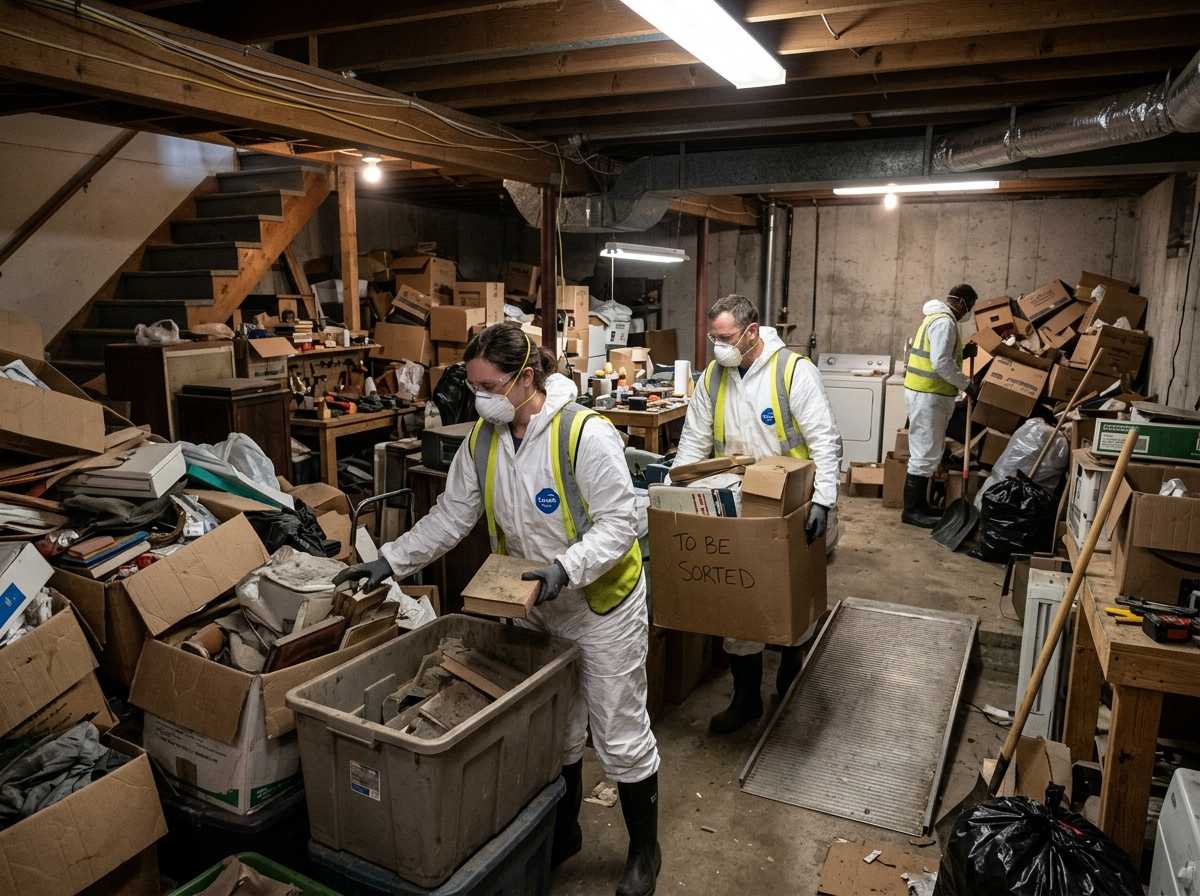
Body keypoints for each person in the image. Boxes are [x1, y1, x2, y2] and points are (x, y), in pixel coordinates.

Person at [334, 322, 661, 896]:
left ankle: (644, 850)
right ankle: (566, 835)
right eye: (473, 384)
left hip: (601, 606)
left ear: (525, 378)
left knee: (618, 730)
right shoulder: (483, 442)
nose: (477, 396)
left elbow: (620, 523)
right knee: (556, 728)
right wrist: (389, 561)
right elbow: (449, 518)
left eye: (488, 385)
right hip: (536, 606)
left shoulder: (584, 435)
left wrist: (568, 568)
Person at [672, 294, 842, 735]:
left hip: (791, 500)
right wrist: (679, 490)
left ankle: (790, 671)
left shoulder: (792, 372)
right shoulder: (714, 376)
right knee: (739, 600)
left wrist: (823, 500)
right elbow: (694, 439)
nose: (717, 346)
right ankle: (745, 697)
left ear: (751, 332)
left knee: (791, 595)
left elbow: (824, 440)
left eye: (725, 337)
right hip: (736, 499)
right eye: (712, 337)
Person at [901, 284, 979, 528]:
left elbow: (940, 355)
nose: (970, 312)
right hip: (929, 395)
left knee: (927, 452)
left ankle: (920, 506)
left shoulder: (935, 318)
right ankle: (912, 511)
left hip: (926, 393)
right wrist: (967, 384)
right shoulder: (944, 322)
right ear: (962, 303)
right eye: (971, 307)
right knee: (924, 453)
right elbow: (940, 362)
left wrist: (963, 353)